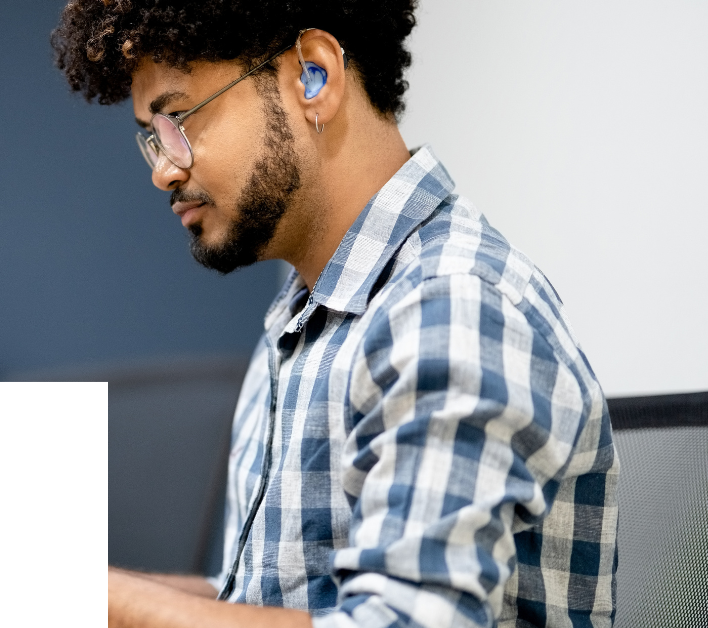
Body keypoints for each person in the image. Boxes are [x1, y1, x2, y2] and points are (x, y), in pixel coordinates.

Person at [52, 2, 618, 627]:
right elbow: (265, 598)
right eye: (153, 136)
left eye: (178, 119)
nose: (165, 169)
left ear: (314, 76)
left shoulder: (449, 307)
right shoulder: (308, 315)